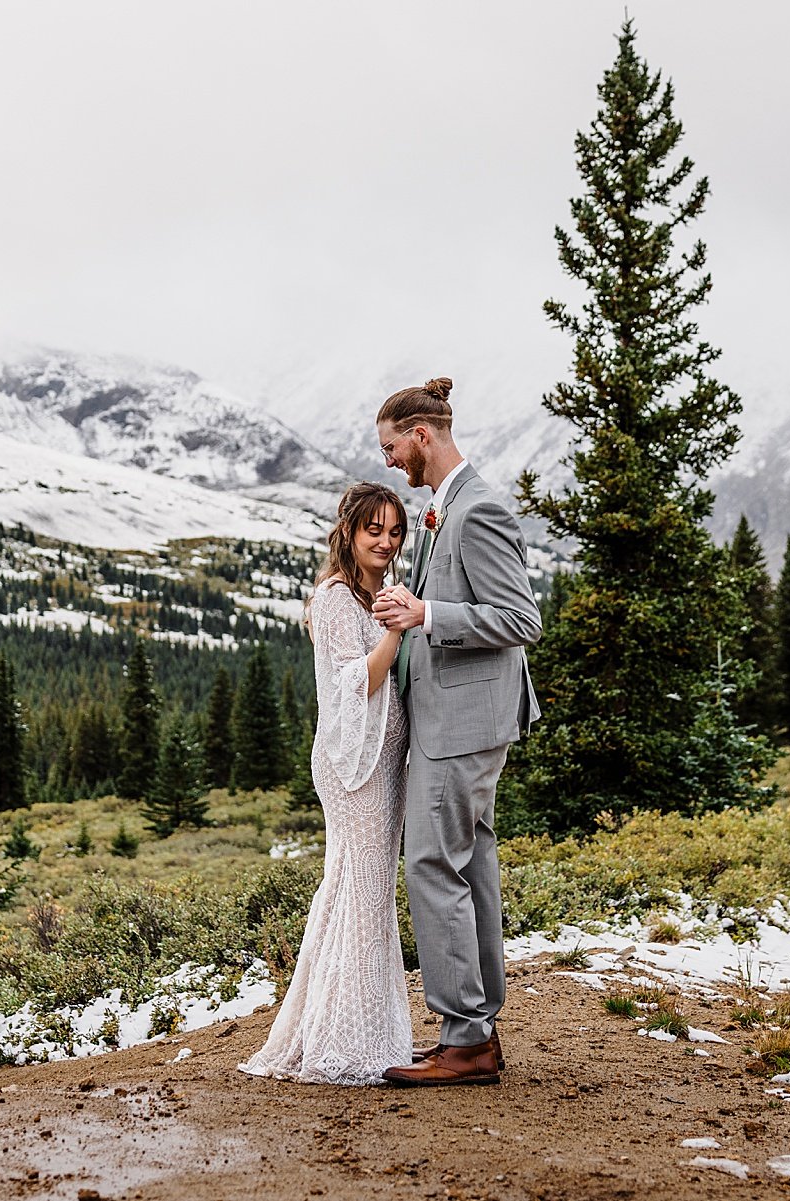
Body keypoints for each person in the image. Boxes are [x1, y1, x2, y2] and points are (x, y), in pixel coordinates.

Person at [370, 377, 542, 1088]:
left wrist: (426, 615)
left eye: (390, 447)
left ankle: (465, 1037)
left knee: (434, 868)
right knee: (469, 867)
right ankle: (474, 1032)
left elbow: (520, 620)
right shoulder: (451, 508)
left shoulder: (478, 510)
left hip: (463, 724)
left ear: (421, 436)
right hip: (460, 719)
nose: (388, 463)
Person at [237, 482, 415, 1085]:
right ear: (348, 530)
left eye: (395, 532)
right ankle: (345, 1042)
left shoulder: (374, 594)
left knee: (360, 893)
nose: (386, 543)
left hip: (384, 764)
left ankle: (354, 1027)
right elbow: (352, 684)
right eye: (375, 531)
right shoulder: (336, 599)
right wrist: (395, 629)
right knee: (359, 893)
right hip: (352, 769)